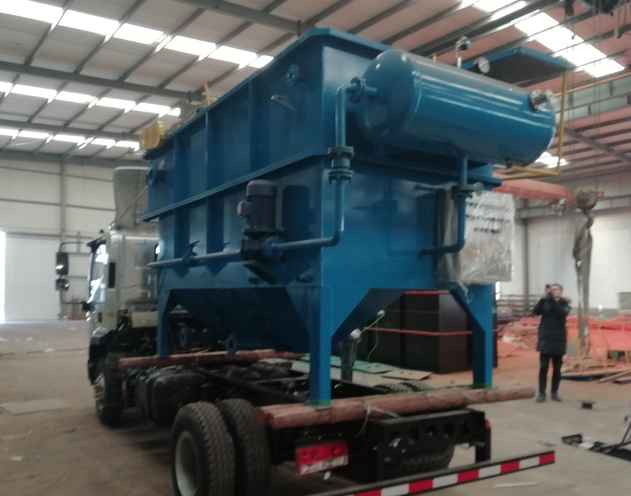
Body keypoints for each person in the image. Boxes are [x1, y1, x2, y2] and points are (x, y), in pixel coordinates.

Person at [533, 283, 570, 402]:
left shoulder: (565, 303)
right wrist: (542, 299)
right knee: (543, 367)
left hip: (559, 340)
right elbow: (535, 311)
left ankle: (554, 392)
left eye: (556, 289)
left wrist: (551, 300)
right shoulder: (545, 301)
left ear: (561, 291)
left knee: (557, 369)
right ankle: (541, 393)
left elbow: (561, 313)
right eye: (552, 289)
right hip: (546, 339)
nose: (554, 291)